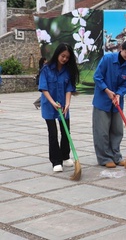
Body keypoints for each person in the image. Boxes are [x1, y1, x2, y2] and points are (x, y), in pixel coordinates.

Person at [92, 39, 126, 168]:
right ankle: (105, 158)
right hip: (102, 100)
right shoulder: (107, 59)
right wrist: (106, 90)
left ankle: (116, 156)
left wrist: (118, 94)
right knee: (102, 131)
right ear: (121, 49)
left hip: (117, 102)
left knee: (117, 130)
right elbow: (97, 77)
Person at [38, 43, 79, 172]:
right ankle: (56, 161)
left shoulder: (68, 71)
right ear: (57, 54)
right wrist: (52, 103)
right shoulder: (46, 69)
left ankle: (65, 156)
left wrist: (67, 103)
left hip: (63, 106)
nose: (64, 59)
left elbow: (69, 88)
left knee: (66, 131)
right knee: (53, 133)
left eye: (67, 57)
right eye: (62, 56)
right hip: (49, 106)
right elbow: (43, 88)